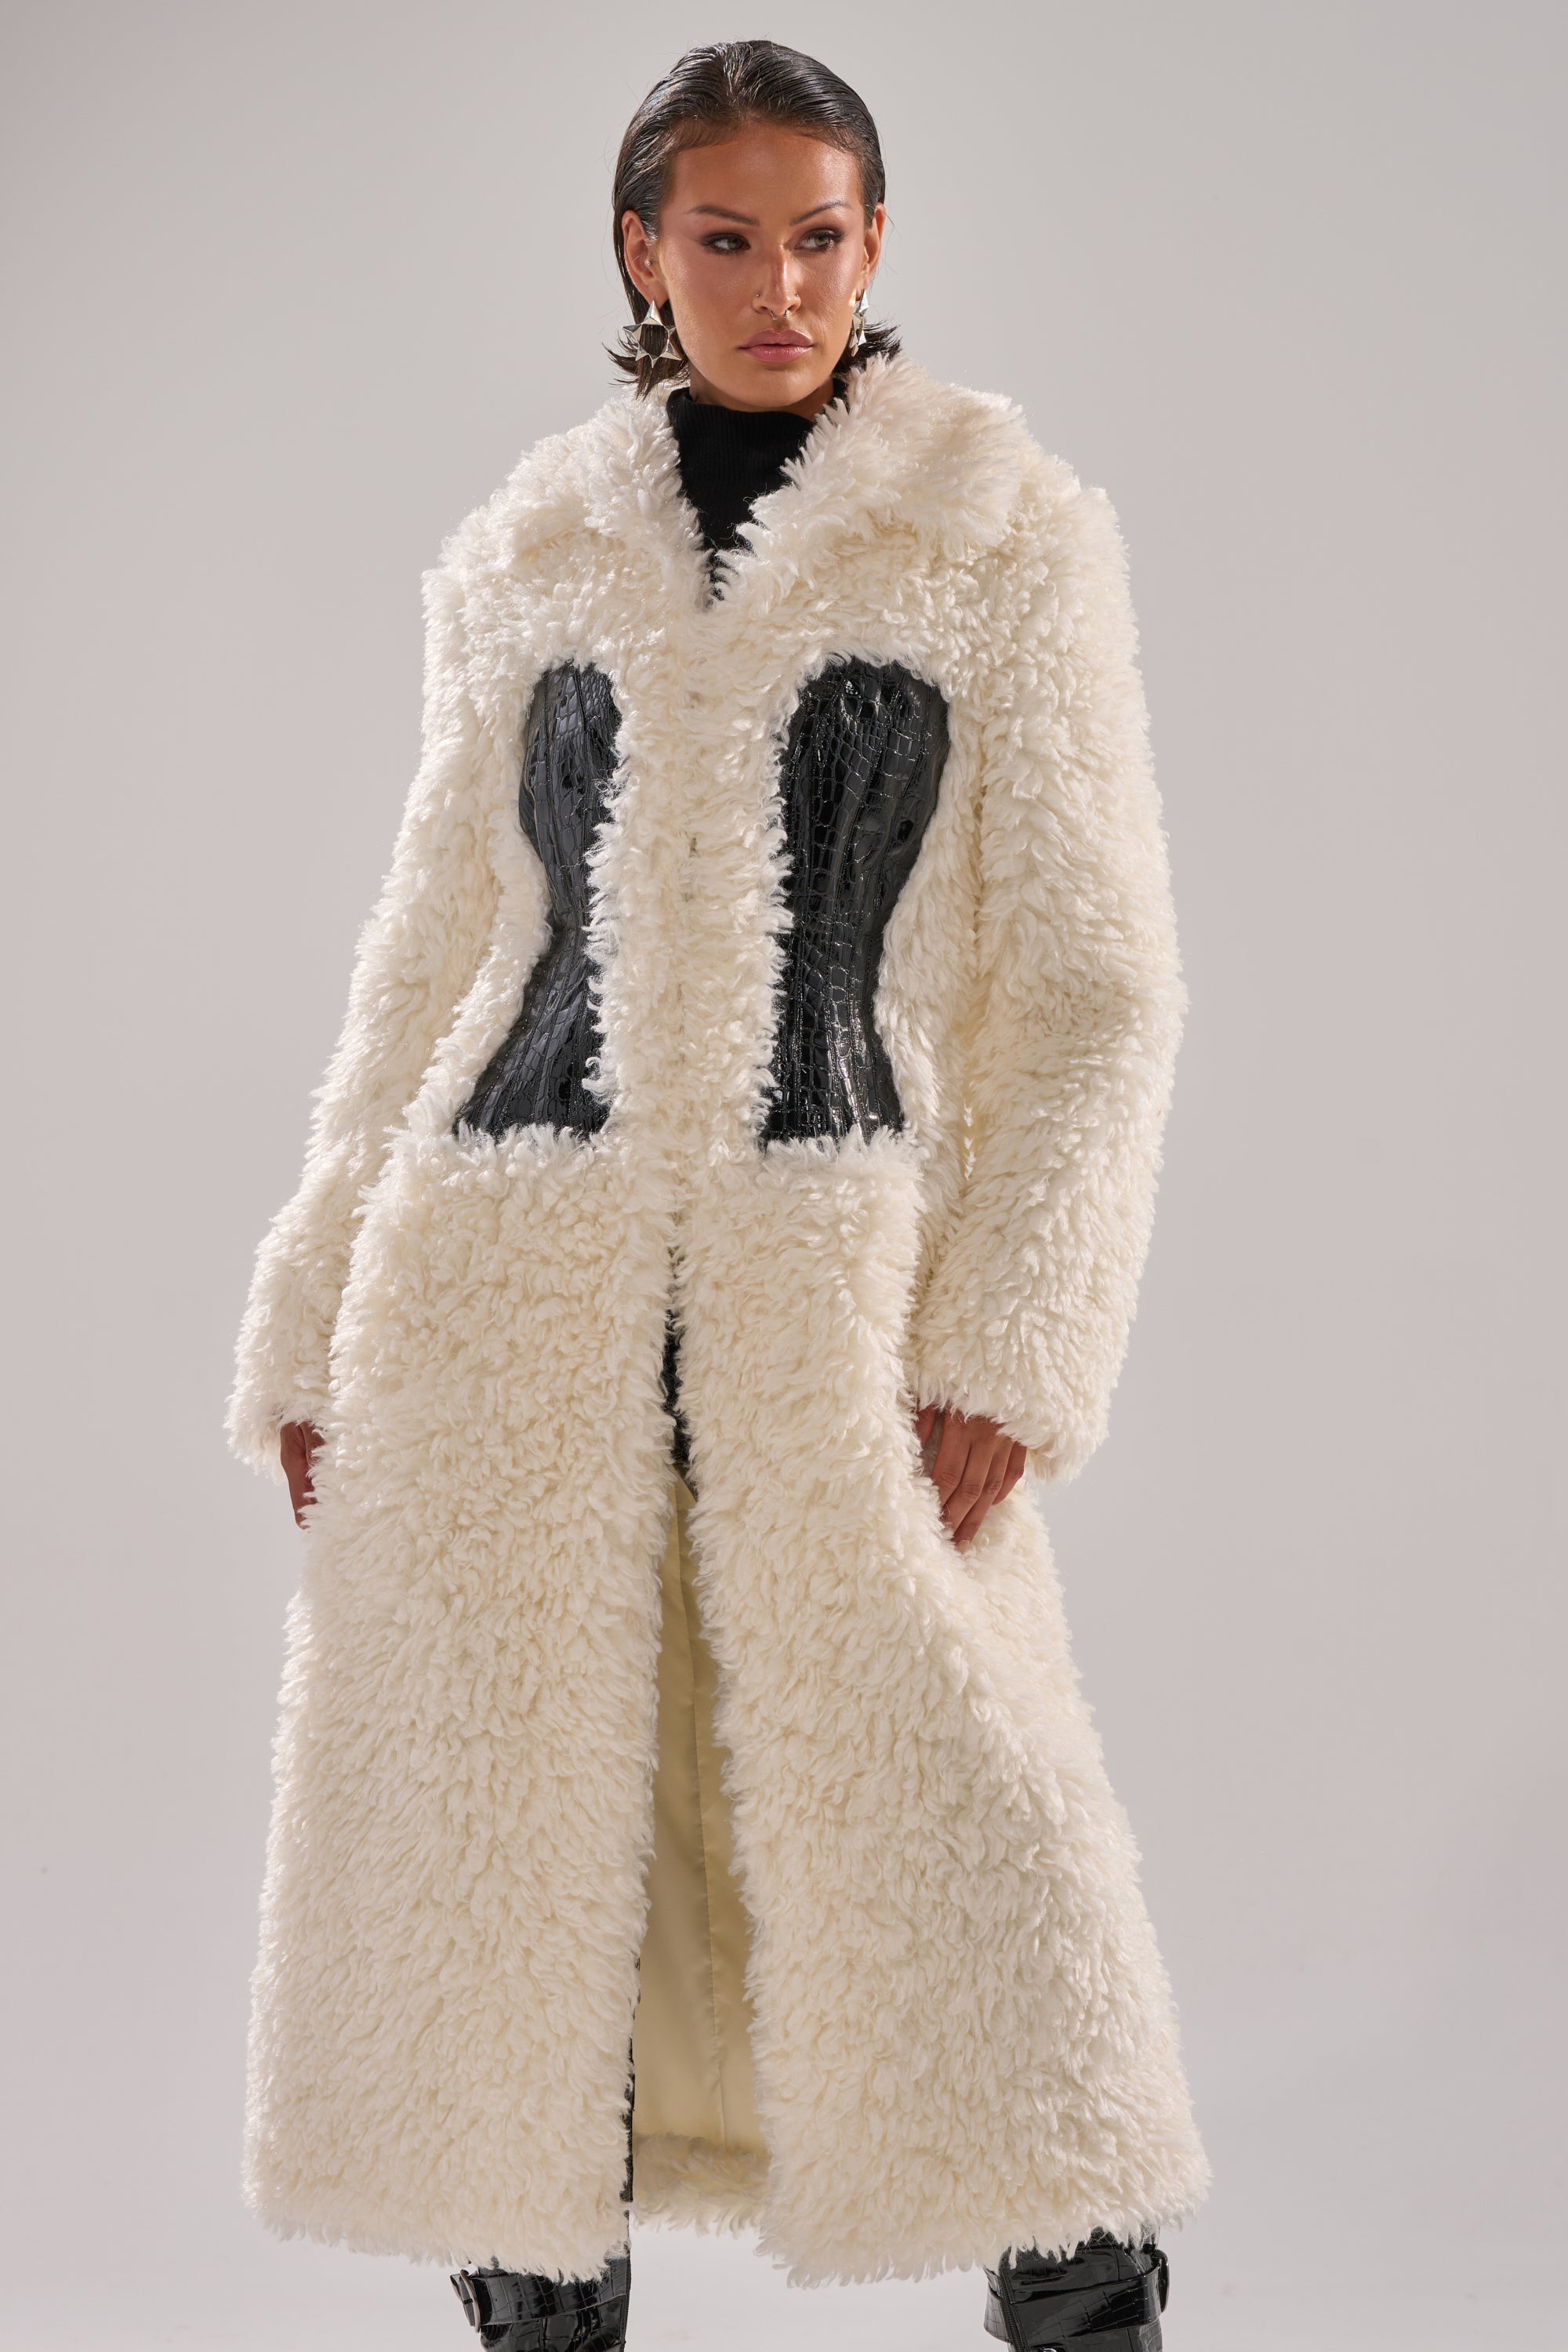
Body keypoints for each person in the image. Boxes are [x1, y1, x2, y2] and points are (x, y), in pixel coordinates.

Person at [230, 40, 1208, 2352]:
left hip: (840, 1307)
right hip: (501, 1303)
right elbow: (431, 967)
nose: (781, 287)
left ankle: (1090, 2308)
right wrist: (309, 1315)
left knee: (983, 1863)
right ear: (639, 252)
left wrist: (1016, 1339)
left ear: (877, 245)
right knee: (511, 1875)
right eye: (728, 237)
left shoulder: (998, 533)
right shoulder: (530, 556)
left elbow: (1097, 987)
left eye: (822, 237)